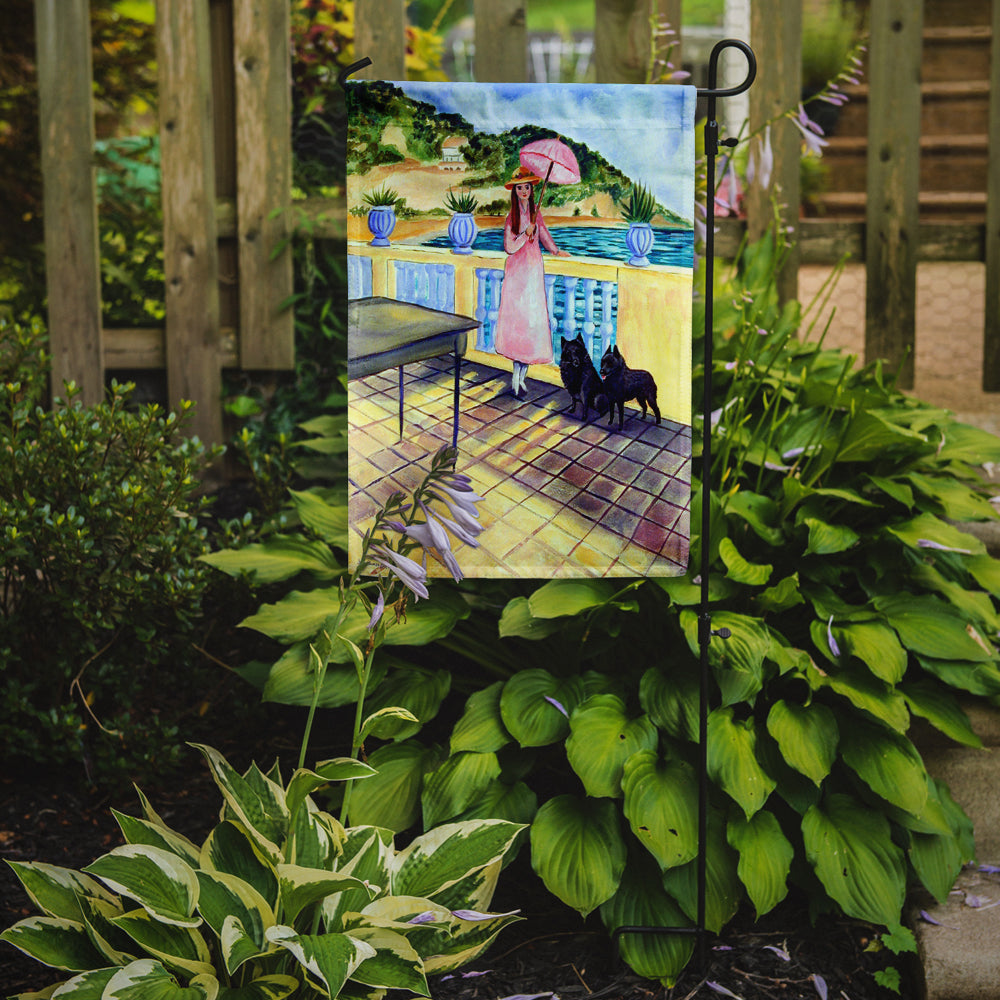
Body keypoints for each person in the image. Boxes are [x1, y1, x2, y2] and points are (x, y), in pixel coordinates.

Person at [493, 164, 570, 397]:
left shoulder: (536, 212)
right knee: (518, 324)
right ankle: (516, 380)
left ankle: (521, 379)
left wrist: (555, 251)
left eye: (527, 187)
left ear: (531, 189)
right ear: (514, 190)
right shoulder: (511, 217)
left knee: (530, 326)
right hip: (518, 276)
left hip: (533, 273)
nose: (524, 191)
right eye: (520, 187)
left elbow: (544, 234)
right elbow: (509, 247)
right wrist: (524, 233)